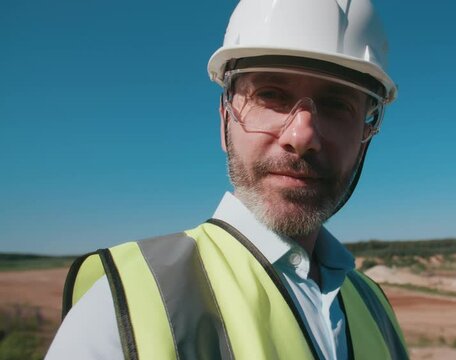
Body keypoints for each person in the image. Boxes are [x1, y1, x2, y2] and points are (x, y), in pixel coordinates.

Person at [46, 0, 407, 359]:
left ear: (366, 133)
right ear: (225, 122)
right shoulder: (121, 309)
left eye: (336, 104)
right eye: (271, 95)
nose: (301, 135)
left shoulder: (374, 304)